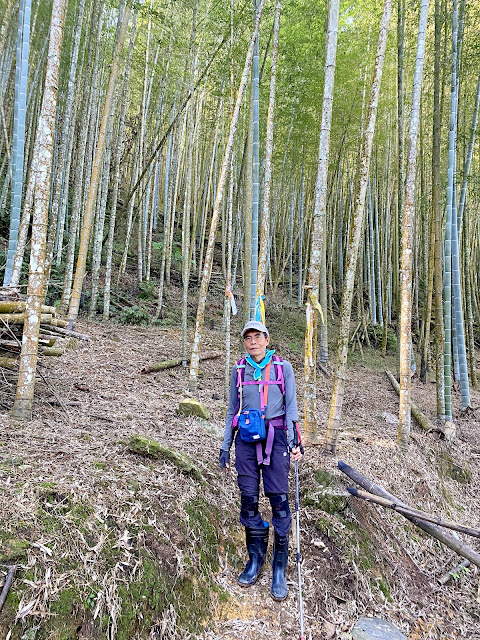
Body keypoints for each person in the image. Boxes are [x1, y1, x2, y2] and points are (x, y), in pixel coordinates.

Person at [219, 320, 303, 601]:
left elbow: (291, 407)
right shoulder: (239, 370)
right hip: (245, 438)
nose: (252, 341)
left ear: (267, 339)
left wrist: (296, 440)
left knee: (279, 503)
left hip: (277, 438)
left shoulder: (283, 368)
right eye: (248, 338)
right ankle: (255, 559)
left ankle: (279, 566)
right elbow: (232, 408)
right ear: (243, 342)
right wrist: (225, 445)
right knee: (248, 500)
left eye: (257, 336)